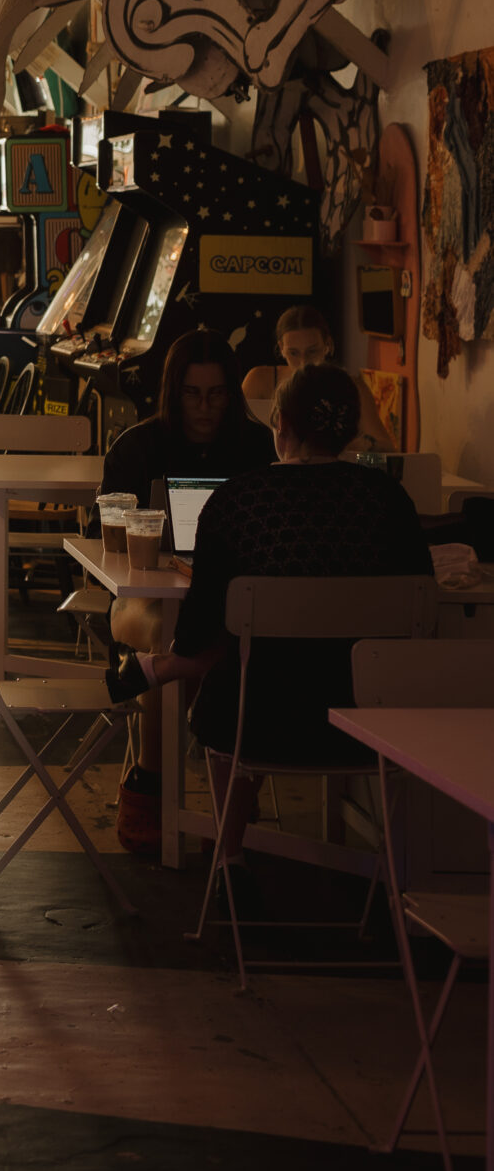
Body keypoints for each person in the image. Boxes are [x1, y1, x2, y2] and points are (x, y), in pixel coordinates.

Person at [108, 364, 431, 875]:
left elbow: (195, 631)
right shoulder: (390, 500)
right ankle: (394, 874)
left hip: (255, 719)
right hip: (371, 719)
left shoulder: (239, 501)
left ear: (278, 422)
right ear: (347, 431)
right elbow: (423, 607)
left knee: (228, 663)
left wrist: (180, 659)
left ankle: (229, 854)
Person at [99, 329, 275, 856]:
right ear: (173, 393)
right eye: (192, 394)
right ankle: (156, 784)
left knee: (226, 642)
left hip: (230, 603)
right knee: (170, 636)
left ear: (233, 395)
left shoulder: (256, 446)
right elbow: (104, 546)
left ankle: (217, 793)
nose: (204, 407)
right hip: (143, 602)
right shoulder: (138, 447)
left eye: (217, 393)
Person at [241, 303, 395, 453]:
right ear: (281, 348)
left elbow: (387, 450)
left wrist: (348, 446)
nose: (303, 363)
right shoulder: (259, 380)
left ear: (327, 344)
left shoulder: (350, 387)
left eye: (312, 351)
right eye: (293, 353)